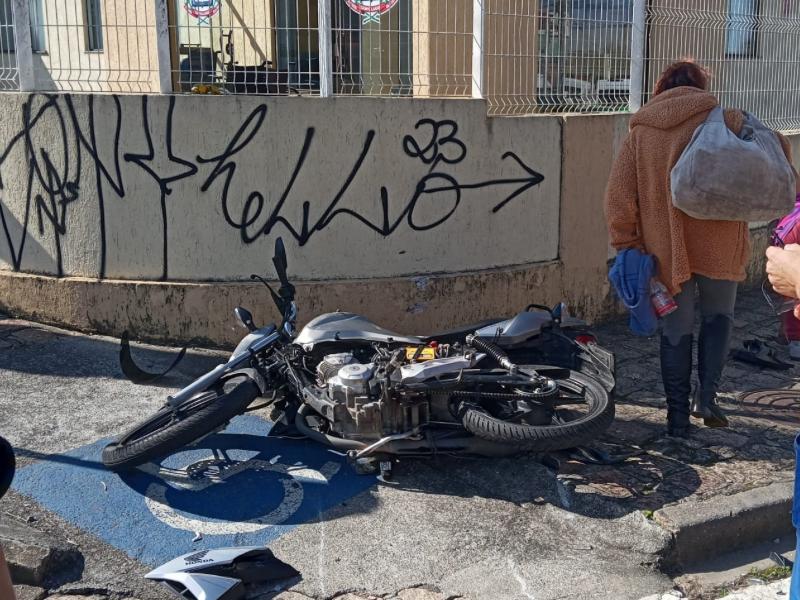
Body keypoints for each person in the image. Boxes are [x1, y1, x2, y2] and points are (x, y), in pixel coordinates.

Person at [605, 60, 794, 438]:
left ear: (660, 89)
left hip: (666, 249)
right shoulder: (726, 119)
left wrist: (629, 242)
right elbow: (780, 150)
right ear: (700, 87)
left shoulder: (641, 132)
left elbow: (618, 198)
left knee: (676, 327)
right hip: (722, 243)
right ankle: (706, 398)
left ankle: (676, 418)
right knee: (719, 317)